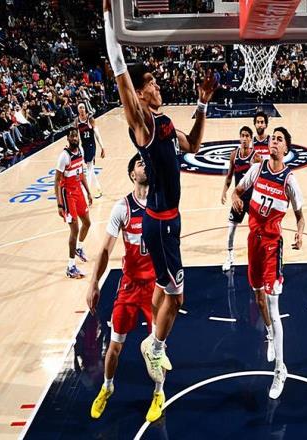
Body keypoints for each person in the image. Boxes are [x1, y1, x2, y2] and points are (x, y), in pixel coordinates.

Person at [103, 0, 217, 387]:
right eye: (150, 82)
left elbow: (194, 145)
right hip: (159, 224)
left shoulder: (165, 123)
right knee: (178, 297)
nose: (157, 85)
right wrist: (110, 20)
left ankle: (154, 339)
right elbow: (120, 73)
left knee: (163, 287)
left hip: (171, 220)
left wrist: (202, 104)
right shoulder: (143, 124)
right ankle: (154, 345)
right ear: (139, 93)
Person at [87, 154, 171, 422]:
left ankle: (159, 393)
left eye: (147, 162)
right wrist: (94, 282)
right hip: (130, 285)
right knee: (114, 346)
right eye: (140, 163)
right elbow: (105, 249)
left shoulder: (161, 202)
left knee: (158, 350)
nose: (145, 165)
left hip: (155, 287)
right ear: (132, 174)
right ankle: (107, 387)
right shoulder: (122, 208)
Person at [232, 127, 305, 399]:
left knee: (274, 308)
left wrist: (300, 232)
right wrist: (235, 197)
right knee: (258, 298)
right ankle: (271, 335)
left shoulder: (289, 181)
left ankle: (280, 370)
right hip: (253, 241)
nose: (273, 141)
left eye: (279, 139)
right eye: (272, 138)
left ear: (286, 149)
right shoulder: (257, 169)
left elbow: (300, 216)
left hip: (273, 246)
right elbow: (238, 190)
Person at [54, 127, 93, 278]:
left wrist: (88, 192)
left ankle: (79, 248)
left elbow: (81, 174)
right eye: (72, 136)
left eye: (76, 136)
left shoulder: (80, 151)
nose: (75, 138)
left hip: (78, 192)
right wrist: (59, 204)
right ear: (68, 139)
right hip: (68, 194)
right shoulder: (64, 156)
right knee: (74, 230)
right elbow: (57, 182)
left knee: (87, 223)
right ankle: (70, 267)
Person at [221, 126, 255, 271]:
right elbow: (229, 176)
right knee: (231, 229)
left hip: (252, 200)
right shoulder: (234, 155)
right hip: (238, 199)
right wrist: (224, 191)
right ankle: (230, 257)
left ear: (251, 139)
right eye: (243, 135)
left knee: (257, 231)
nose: (244, 138)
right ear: (240, 137)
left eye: (247, 136)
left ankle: (258, 257)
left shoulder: (256, 157)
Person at [75, 102, 106, 198]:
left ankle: (85, 194)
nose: (82, 109)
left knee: (88, 169)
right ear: (78, 110)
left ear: (85, 109)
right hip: (83, 146)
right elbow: (76, 136)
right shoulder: (76, 121)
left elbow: (97, 134)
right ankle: (98, 189)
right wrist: (76, 148)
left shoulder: (90, 119)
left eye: (83, 107)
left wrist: (102, 147)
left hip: (91, 145)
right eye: (80, 108)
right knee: (90, 168)